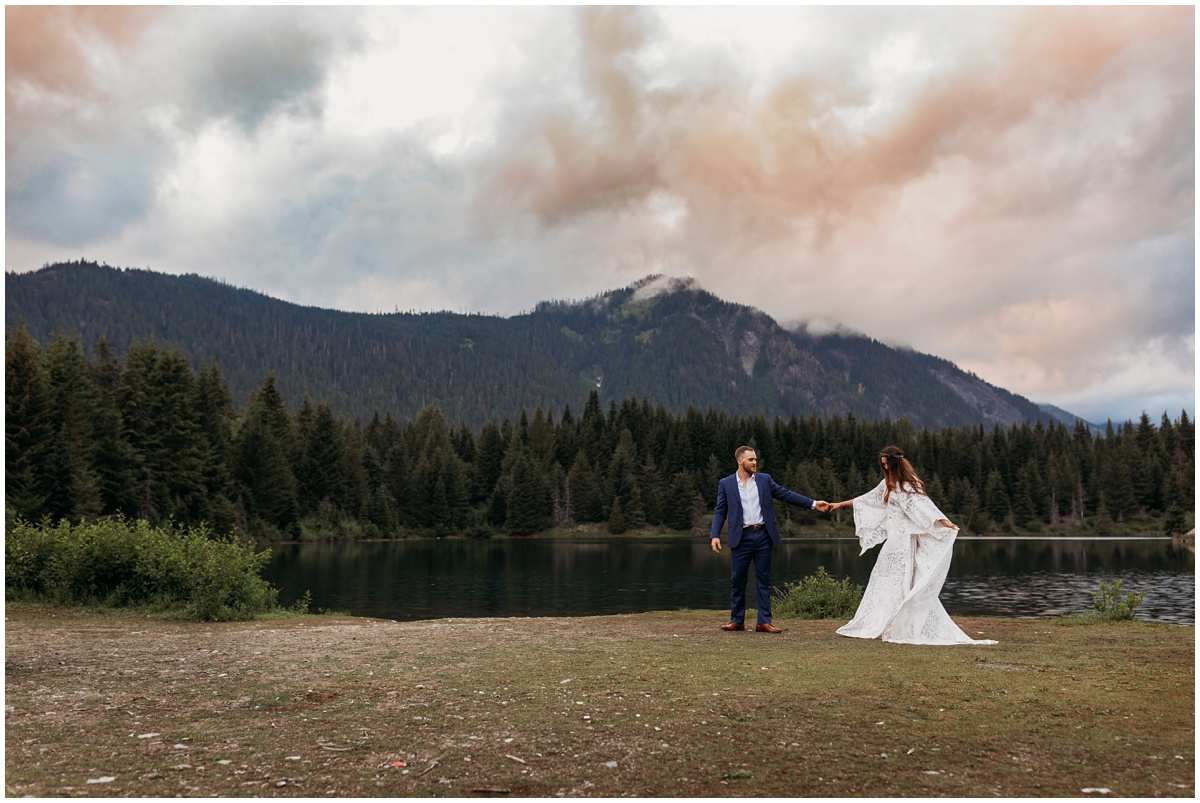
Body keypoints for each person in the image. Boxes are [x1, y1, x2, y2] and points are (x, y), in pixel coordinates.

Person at [829, 445, 996, 645]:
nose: (885, 468)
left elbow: (925, 508)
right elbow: (867, 499)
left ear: (896, 463)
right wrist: (839, 505)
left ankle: (901, 624)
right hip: (893, 542)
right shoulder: (887, 483)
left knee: (903, 581)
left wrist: (946, 523)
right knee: (883, 580)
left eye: (888, 465)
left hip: (905, 542)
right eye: (883, 465)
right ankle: (880, 623)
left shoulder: (909, 484)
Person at [710, 446, 830, 633]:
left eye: (755, 459)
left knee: (763, 580)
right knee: (737, 580)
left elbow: (786, 494)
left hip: (763, 536)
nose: (755, 462)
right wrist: (714, 535)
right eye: (750, 460)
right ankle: (737, 620)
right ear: (740, 461)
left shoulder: (765, 480)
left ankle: (763, 622)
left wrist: (813, 504)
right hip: (740, 537)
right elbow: (720, 510)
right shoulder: (726, 484)